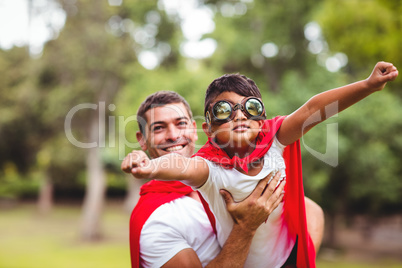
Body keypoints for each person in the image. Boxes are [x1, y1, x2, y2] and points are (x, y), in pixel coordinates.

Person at [125, 61, 398, 267]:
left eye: (250, 107)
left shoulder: (275, 140)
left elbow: (312, 110)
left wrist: (367, 85)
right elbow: (181, 166)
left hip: (288, 256)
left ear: (261, 120)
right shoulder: (208, 170)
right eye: (224, 111)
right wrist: (150, 166)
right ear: (208, 129)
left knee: (312, 210)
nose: (239, 116)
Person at [122, 91, 288, 268]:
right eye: (159, 128)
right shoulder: (156, 220)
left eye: (181, 124)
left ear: (194, 130)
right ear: (142, 140)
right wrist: (246, 227)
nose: (172, 135)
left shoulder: (226, 174)